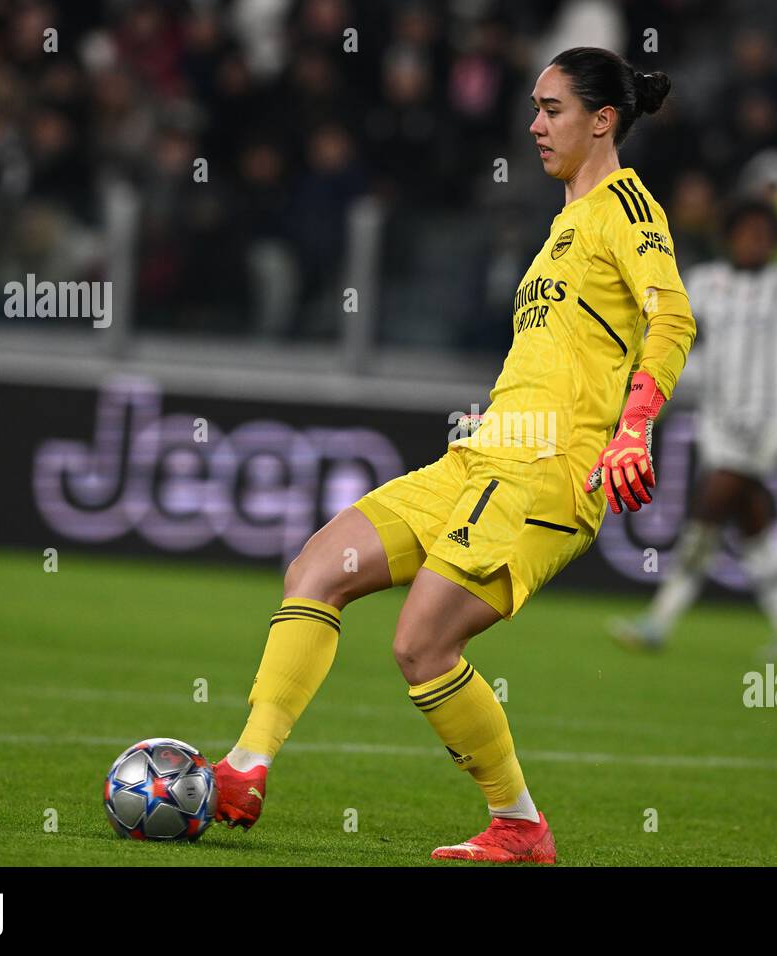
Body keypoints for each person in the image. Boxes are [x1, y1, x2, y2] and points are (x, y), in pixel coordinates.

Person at [211, 47, 696, 863]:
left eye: (551, 109)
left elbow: (672, 319)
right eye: (535, 108)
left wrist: (634, 425)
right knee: (318, 568)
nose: (535, 125)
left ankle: (519, 825)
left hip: (549, 471)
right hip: (486, 454)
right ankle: (243, 767)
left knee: (422, 645)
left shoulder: (627, 209)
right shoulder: (560, 228)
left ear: (602, 119)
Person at [608, 198, 777, 661]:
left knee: (710, 505)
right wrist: (635, 388)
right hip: (717, 420)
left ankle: (659, 619)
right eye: (746, 231)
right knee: (750, 519)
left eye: (764, 234)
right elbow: (669, 340)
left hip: (769, 423)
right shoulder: (705, 283)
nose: (754, 240)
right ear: (730, 235)